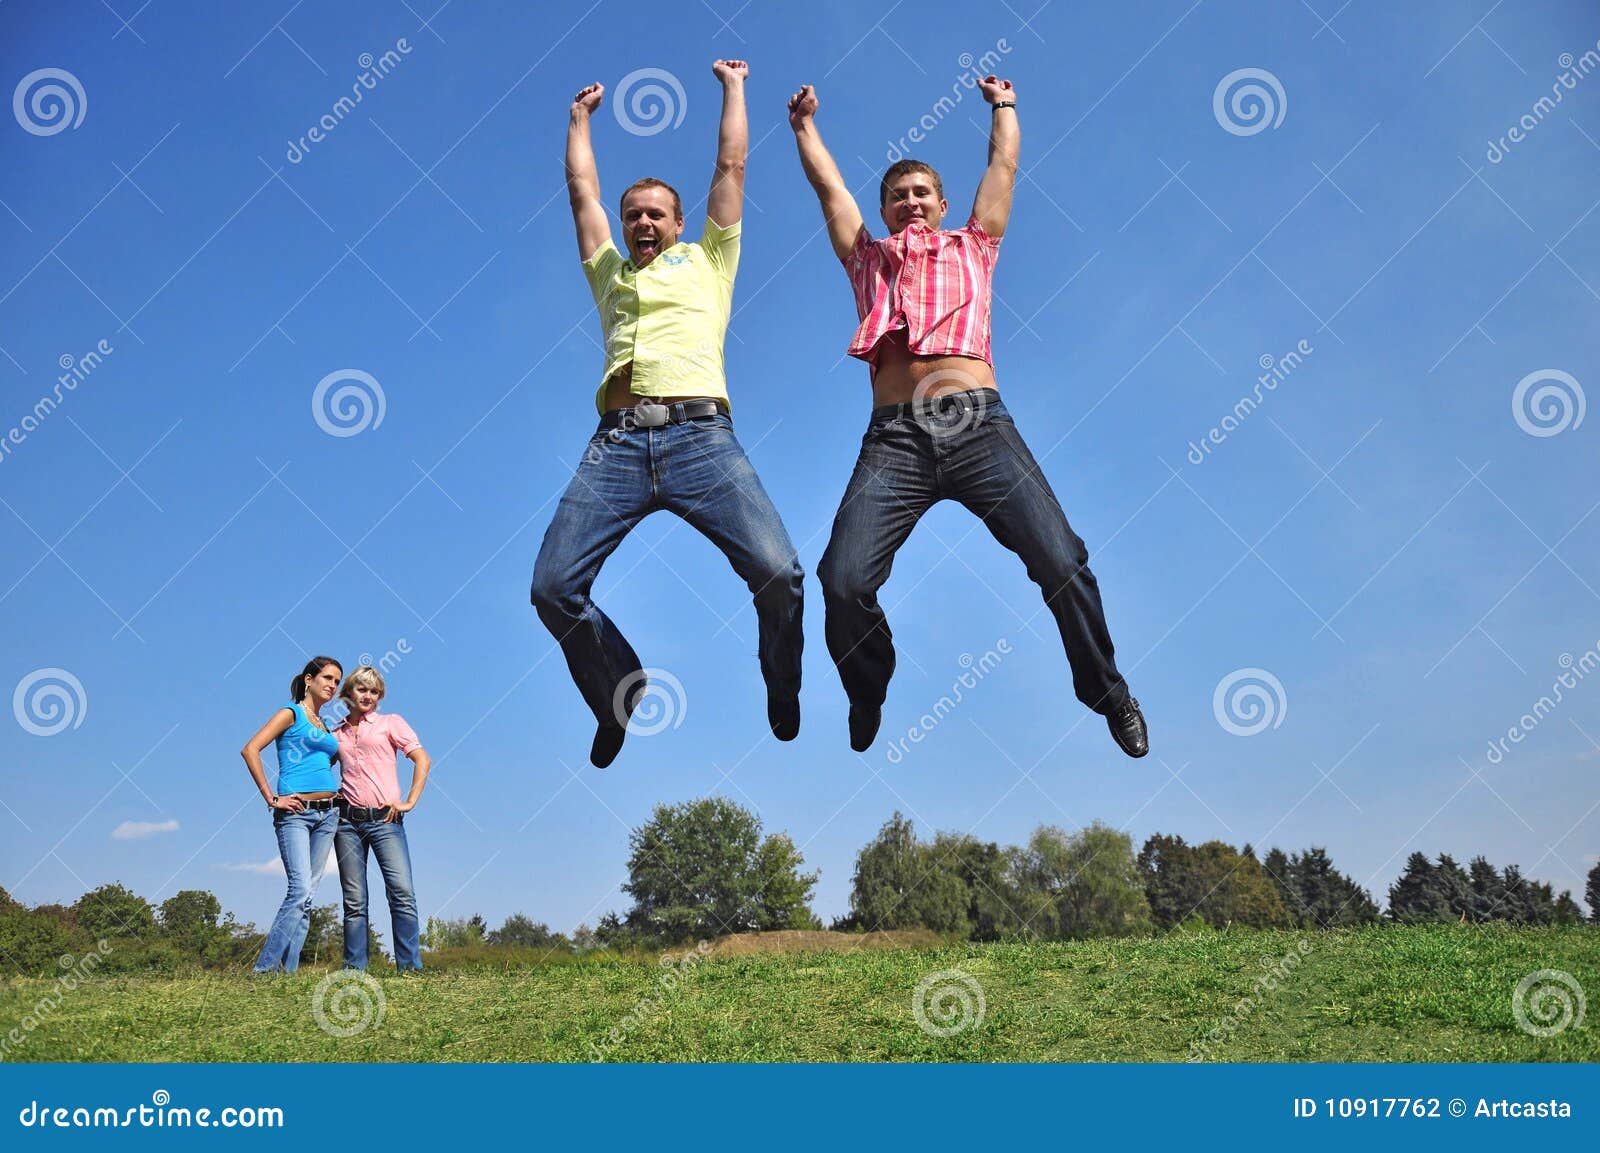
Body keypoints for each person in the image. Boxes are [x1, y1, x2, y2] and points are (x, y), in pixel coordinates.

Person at [786, 77, 1149, 758]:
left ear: (942, 203)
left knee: (1062, 558)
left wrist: (1005, 106)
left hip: (977, 425)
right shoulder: (868, 258)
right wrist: (805, 127)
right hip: (895, 440)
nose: (910, 201)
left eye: (921, 192)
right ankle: (869, 690)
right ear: (887, 209)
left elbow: (1003, 167)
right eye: (898, 195)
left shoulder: (973, 245)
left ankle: (1107, 692)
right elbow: (831, 191)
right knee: (842, 579)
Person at [532, 60, 805, 768]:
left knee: (779, 572)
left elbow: (733, 164)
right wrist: (578, 120)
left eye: (656, 213)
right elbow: (580, 190)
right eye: (634, 215)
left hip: (701, 438)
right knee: (553, 588)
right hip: (615, 448)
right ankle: (619, 691)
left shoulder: (710, 259)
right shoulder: (611, 273)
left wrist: (737, 87)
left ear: (679, 223)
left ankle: (782, 680)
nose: (644, 221)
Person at [240, 655, 344, 973]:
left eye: (337, 681)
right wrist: (272, 797)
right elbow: (250, 748)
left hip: (328, 816)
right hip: (295, 814)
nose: (333, 685)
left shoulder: (325, 724)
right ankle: (263, 970)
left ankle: (288, 974)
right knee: (299, 890)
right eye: (328, 678)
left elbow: (325, 762)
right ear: (309, 679)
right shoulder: (291, 713)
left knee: (308, 898)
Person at [331, 665, 430, 972]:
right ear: (349, 693)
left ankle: (410, 968)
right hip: (346, 823)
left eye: (374, 691)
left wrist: (410, 801)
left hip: (386, 821)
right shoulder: (336, 733)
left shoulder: (391, 723)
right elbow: (320, 769)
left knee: (401, 893)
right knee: (354, 901)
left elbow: (422, 758)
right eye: (362, 689)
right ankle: (354, 969)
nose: (369, 696)